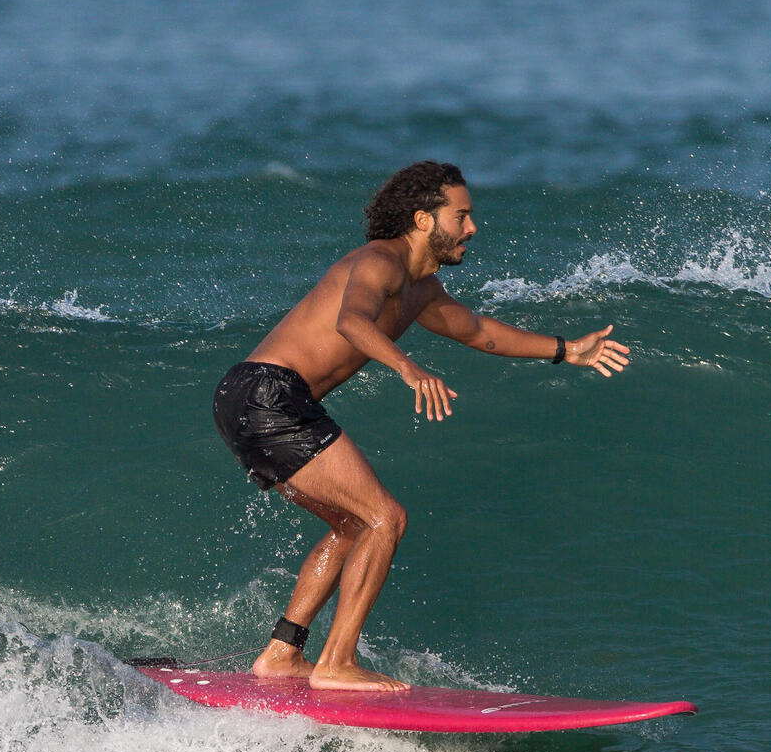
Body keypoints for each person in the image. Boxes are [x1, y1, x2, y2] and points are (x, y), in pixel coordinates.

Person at [213, 160, 630, 692]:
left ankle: (281, 652)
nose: (473, 228)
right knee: (385, 518)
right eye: (463, 215)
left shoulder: (422, 290)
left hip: (252, 398)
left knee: (353, 524)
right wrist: (407, 367)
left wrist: (567, 350)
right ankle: (336, 663)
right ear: (424, 220)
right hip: (268, 393)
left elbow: (480, 332)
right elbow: (352, 320)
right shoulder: (380, 261)